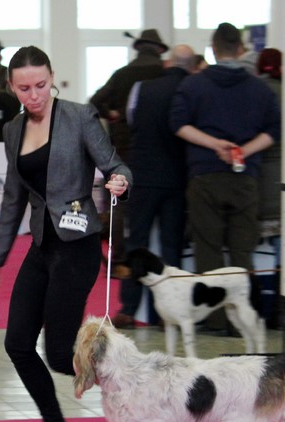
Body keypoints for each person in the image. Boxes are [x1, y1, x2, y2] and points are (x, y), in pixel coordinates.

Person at [0, 46, 131, 422]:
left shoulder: (79, 117)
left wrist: (119, 182)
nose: (34, 95)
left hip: (78, 247)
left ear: (52, 79)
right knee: (17, 343)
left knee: (62, 355)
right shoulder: (13, 130)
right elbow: (13, 197)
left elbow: (116, 166)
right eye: (24, 88)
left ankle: (139, 386)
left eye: (41, 85)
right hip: (42, 246)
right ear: (11, 87)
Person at [169, 22, 280, 333]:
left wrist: (215, 144)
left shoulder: (193, 85)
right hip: (245, 179)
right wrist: (242, 150)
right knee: (242, 252)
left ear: (213, 49)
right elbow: (274, 130)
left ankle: (216, 319)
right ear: (241, 50)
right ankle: (242, 321)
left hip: (204, 176)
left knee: (209, 250)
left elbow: (178, 124)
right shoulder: (259, 88)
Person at [112, 44, 196, 329]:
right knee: (172, 245)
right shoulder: (191, 89)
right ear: (191, 66)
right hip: (176, 177)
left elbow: (132, 120)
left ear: (168, 63)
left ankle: (128, 308)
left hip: (143, 174)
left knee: (136, 241)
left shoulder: (141, 88)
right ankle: (167, 314)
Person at [89, 29, 167, 270]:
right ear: (159, 50)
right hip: (159, 148)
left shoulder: (122, 74)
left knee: (119, 203)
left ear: (138, 49)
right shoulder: (164, 73)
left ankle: (119, 258)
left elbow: (94, 102)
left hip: (123, 145)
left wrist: (113, 114)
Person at [256, 47, 285, 329]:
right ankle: (280, 310)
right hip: (283, 179)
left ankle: (258, 310)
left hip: (256, 176)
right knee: (282, 253)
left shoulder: (253, 91)